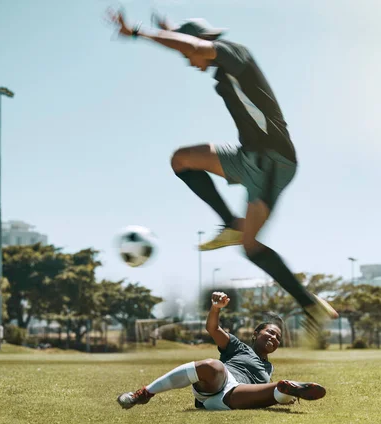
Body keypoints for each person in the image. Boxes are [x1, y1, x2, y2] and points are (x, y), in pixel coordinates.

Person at [106, 9, 339, 333]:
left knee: (252, 246)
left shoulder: (233, 52)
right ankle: (230, 222)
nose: (190, 63)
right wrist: (173, 29)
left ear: (201, 42)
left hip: (275, 160)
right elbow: (194, 44)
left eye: (190, 53)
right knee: (182, 160)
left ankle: (312, 306)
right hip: (247, 156)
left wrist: (137, 33)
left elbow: (197, 47)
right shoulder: (222, 65)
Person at [117, 291, 327, 411]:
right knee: (212, 365)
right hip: (219, 382)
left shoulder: (268, 367)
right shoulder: (238, 346)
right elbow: (212, 329)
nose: (274, 337)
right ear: (255, 334)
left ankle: (286, 391)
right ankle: (143, 394)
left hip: (236, 397)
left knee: (276, 389)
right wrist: (215, 308)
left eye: (278, 337)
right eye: (270, 332)